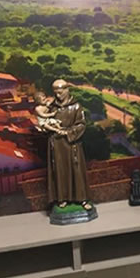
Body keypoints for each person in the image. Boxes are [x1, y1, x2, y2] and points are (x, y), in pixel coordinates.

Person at [46, 79, 92, 211]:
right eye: (56, 92)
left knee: (76, 170)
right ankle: (62, 198)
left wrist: (68, 133)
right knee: (60, 170)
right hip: (57, 143)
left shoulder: (76, 106)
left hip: (72, 143)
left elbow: (81, 124)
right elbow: (46, 121)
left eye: (60, 92)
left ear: (67, 90)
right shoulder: (52, 107)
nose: (58, 95)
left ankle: (82, 198)